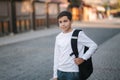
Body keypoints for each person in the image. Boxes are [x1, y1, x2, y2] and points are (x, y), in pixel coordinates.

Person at [53, 11, 98, 80]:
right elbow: (56, 56)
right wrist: (55, 75)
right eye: (60, 22)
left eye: (65, 21)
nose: (63, 24)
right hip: (60, 71)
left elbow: (94, 46)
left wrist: (83, 58)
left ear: (71, 21)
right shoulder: (58, 37)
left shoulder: (78, 34)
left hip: (73, 71)